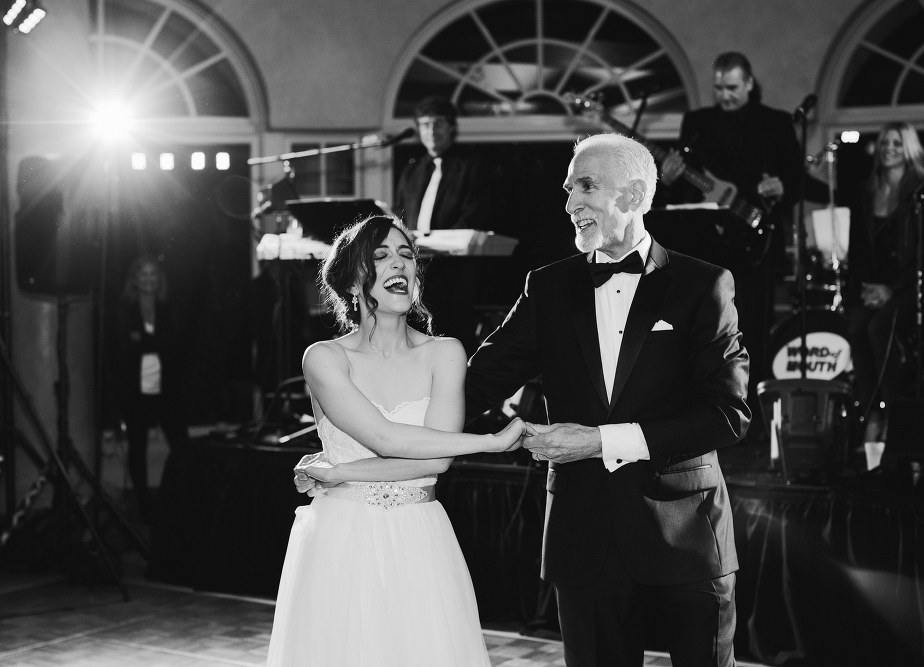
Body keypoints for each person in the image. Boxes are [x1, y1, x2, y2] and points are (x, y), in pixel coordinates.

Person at [465, 134, 751, 667]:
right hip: (584, 538)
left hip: (686, 532)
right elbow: (476, 384)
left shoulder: (703, 285)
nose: (571, 202)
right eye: (569, 189)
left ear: (636, 193)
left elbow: (728, 415)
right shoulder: (546, 288)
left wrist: (600, 441)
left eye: (587, 186)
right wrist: (379, 424)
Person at [269, 215, 524, 666]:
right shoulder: (325, 359)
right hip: (340, 538)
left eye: (407, 256)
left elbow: (437, 461)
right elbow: (387, 439)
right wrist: (487, 442)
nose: (400, 266)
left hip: (418, 534)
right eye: (381, 256)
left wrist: (337, 471)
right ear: (350, 281)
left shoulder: (444, 353)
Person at [660, 52, 802, 442]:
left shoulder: (775, 122)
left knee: (750, 326)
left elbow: (796, 177)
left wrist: (783, 187)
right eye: (719, 87)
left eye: (732, 87)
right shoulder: (697, 123)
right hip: (706, 241)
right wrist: (668, 177)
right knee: (702, 326)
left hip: (755, 242)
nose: (724, 95)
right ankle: (703, 411)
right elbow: (685, 177)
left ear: (750, 83)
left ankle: (750, 422)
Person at [846, 122, 924, 442]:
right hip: (878, 285)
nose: (889, 148)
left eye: (898, 143)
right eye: (885, 142)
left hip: (915, 284)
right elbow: (860, 248)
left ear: (909, 149)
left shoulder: (922, 191)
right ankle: (873, 409)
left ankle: (893, 414)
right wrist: (868, 288)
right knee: (856, 324)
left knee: (877, 328)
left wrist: (893, 290)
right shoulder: (867, 189)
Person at [393, 95, 495, 354]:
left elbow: (473, 215)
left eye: (438, 123)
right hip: (417, 266)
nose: (431, 131)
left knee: (453, 334)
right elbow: (400, 216)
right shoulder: (411, 172)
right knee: (415, 334)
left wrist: (434, 243)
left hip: (454, 268)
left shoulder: (471, 166)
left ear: (451, 127)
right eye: (425, 124)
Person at [113, 255, 187, 523]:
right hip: (135, 389)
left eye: (153, 274)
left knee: (181, 445)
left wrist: (142, 339)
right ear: (134, 279)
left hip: (166, 387)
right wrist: (157, 341)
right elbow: (123, 345)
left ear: (160, 279)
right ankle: (143, 504)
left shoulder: (169, 305)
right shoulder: (124, 306)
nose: (148, 279)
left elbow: (176, 343)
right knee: (137, 446)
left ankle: (183, 498)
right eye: (143, 275)